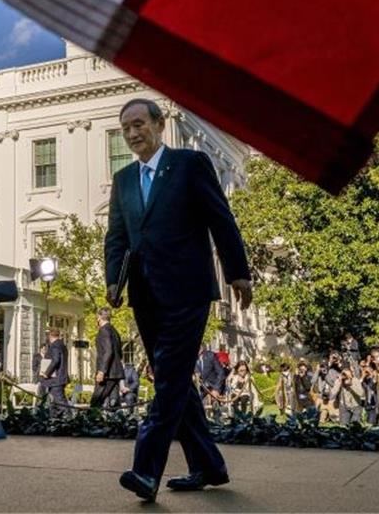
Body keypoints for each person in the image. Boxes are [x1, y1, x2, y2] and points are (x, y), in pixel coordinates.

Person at [103, 98, 252, 501]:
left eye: (139, 124)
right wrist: (113, 283)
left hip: (188, 290)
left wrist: (239, 272)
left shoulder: (189, 164)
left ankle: (145, 470)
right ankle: (208, 464)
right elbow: (116, 238)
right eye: (126, 128)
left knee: (168, 378)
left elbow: (221, 219)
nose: (133, 134)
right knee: (176, 381)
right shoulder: (123, 180)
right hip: (144, 295)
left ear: (159, 124)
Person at [91, 308, 124, 409]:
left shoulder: (104, 330)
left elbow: (108, 351)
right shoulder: (114, 331)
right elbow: (119, 353)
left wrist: (102, 371)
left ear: (99, 317)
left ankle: (91, 423)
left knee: (95, 402)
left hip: (107, 374)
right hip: (115, 373)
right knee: (113, 404)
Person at [42, 328, 71, 417]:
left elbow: (55, 360)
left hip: (56, 379)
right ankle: (54, 421)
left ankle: (70, 419)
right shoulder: (62, 345)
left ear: (50, 336)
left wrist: (46, 373)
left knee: (60, 401)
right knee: (53, 403)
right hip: (59, 378)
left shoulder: (55, 346)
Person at [195, 344, 227, 421]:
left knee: (215, 405)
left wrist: (216, 389)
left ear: (201, 348)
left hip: (215, 384)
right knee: (195, 402)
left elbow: (221, 373)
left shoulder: (211, 356)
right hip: (202, 386)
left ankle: (218, 422)